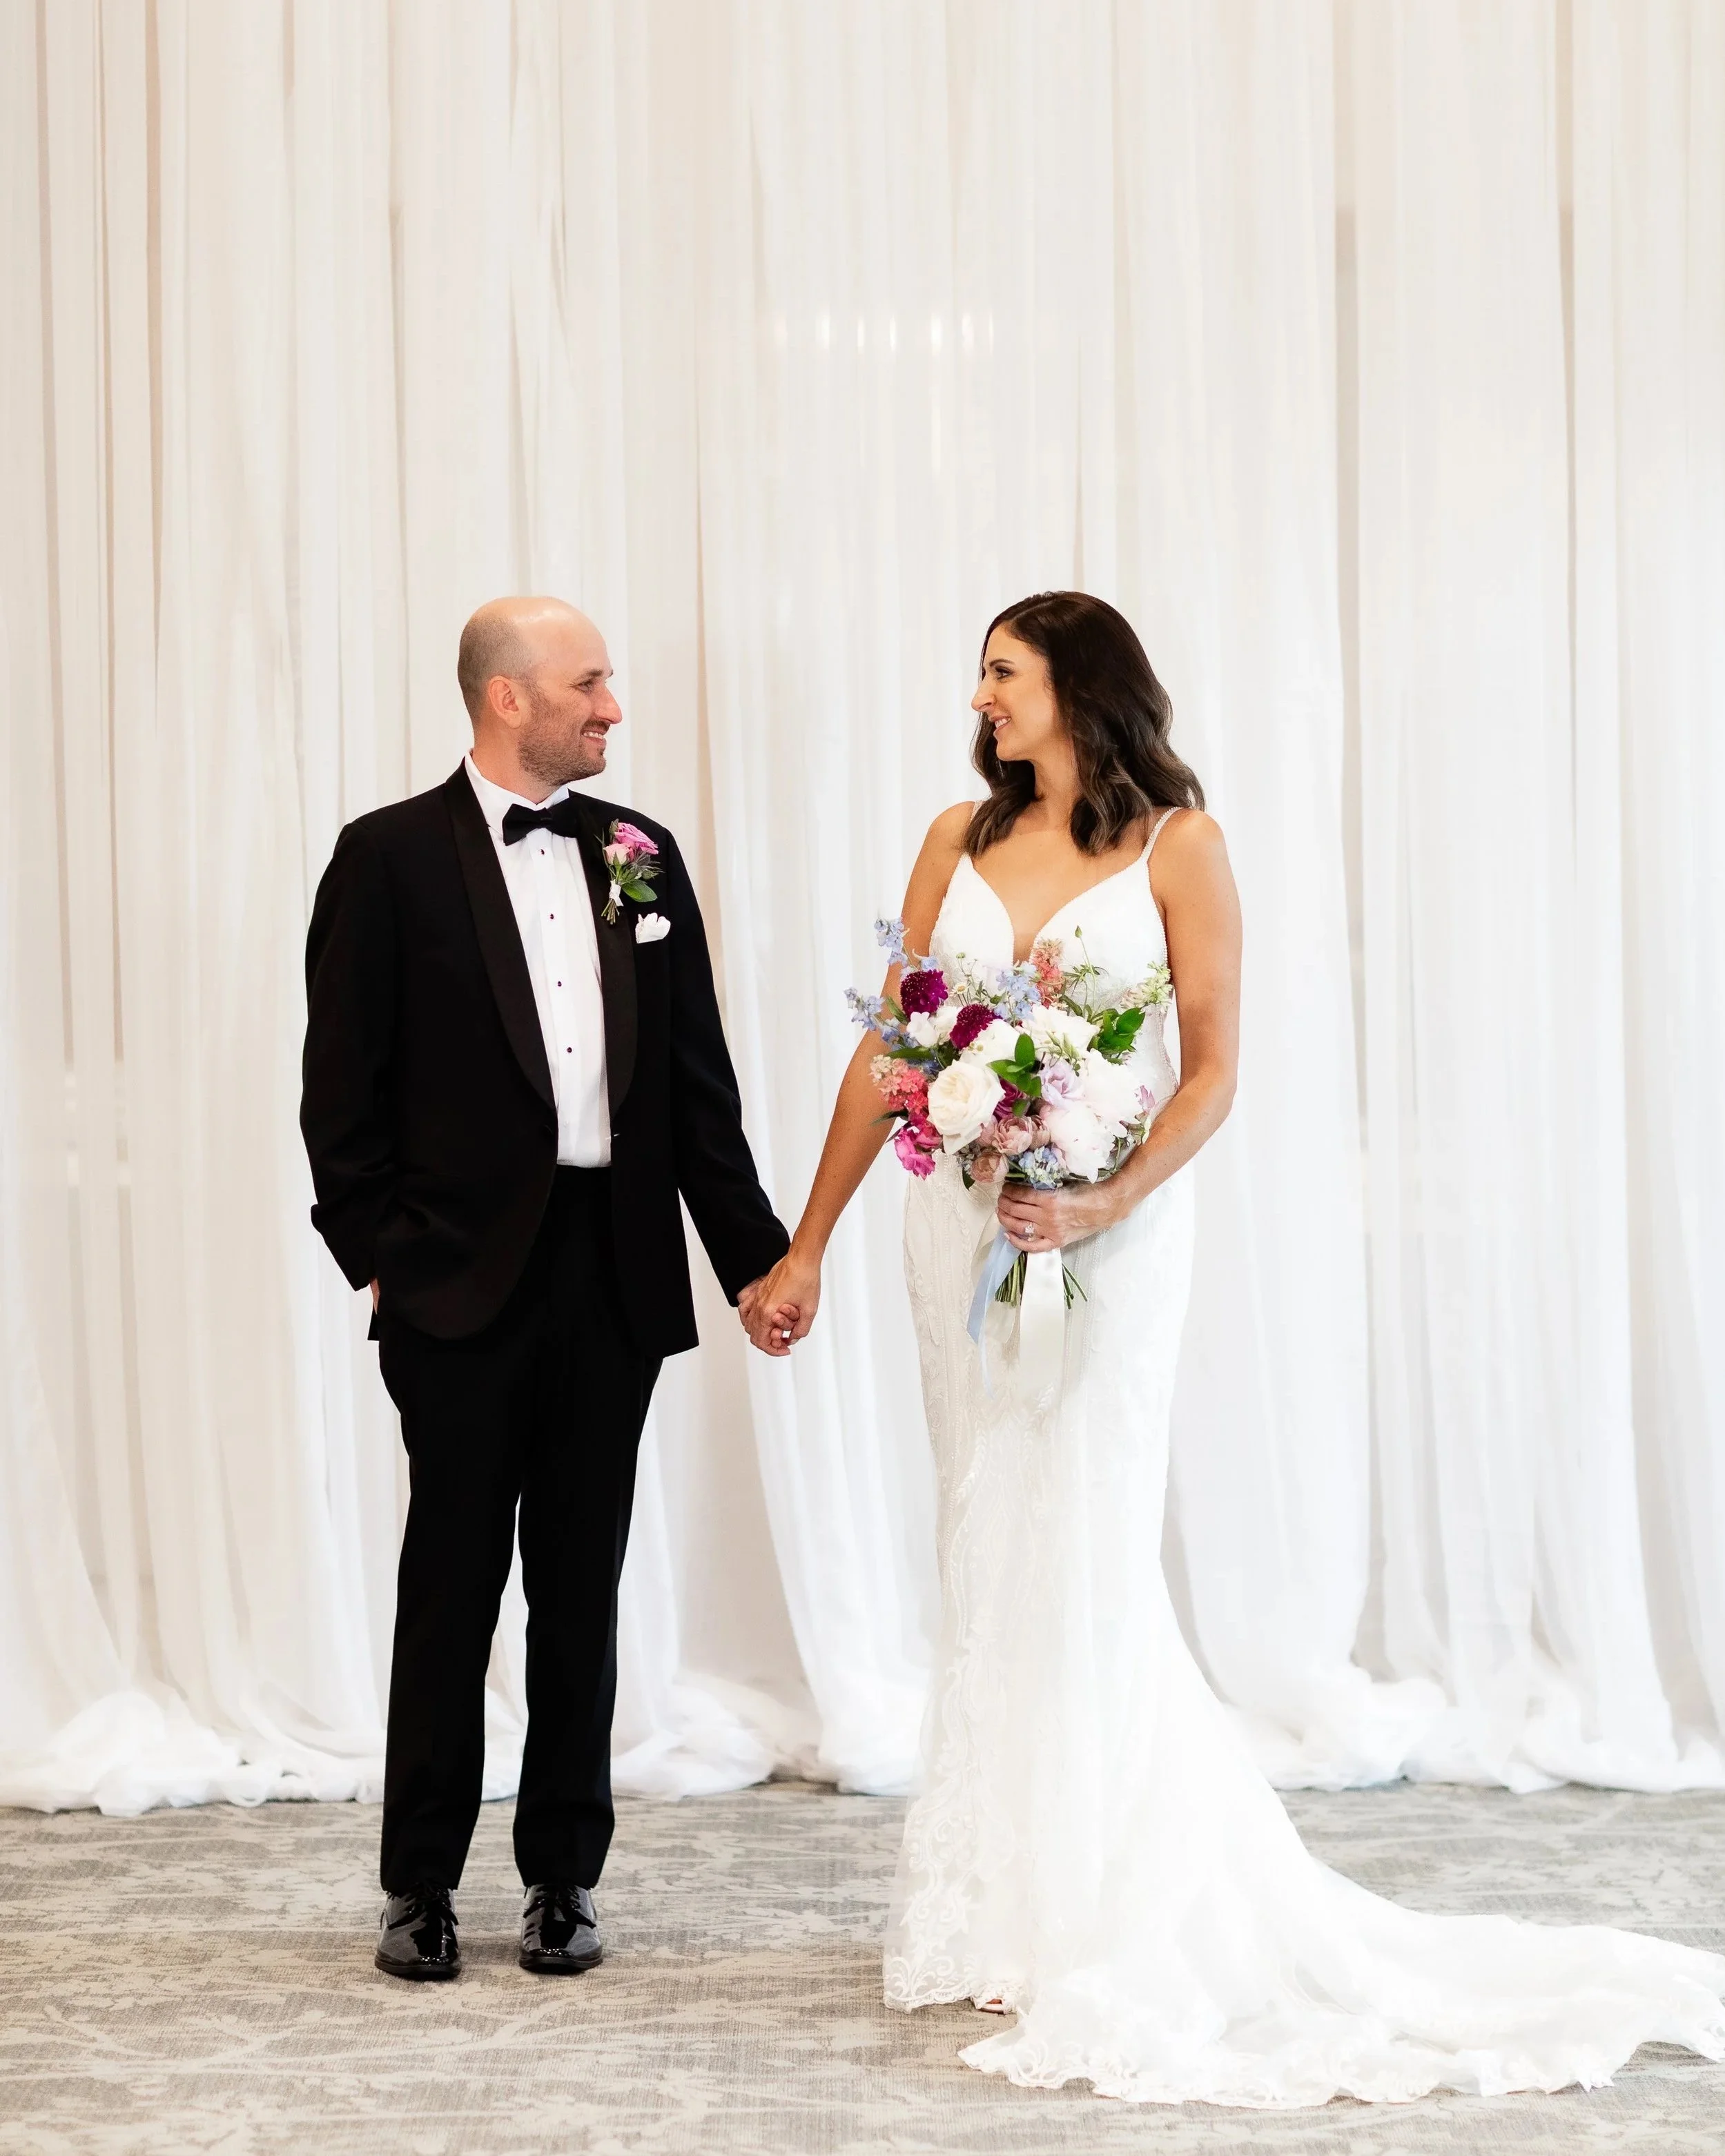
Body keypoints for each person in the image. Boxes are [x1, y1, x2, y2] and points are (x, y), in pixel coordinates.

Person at [745, 590, 1725, 2105]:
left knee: (1084, 1541)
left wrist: (1102, 1191)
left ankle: (1102, 1898)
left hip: (1109, 1238)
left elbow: (1210, 1068)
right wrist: (805, 1239)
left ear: (1081, 684)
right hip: (958, 1230)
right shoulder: (953, 834)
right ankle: (1005, 1895)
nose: (980, 693)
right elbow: (891, 1051)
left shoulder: (1178, 844)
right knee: (985, 1538)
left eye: (1001, 670)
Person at [301, 596, 788, 1981]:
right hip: (455, 1285)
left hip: (611, 1273)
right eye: (590, 685)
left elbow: (697, 1087)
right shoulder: (386, 858)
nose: (612, 708)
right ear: (507, 697)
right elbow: (342, 1092)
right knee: (448, 1586)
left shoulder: (637, 854)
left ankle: (565, 1874)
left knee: (583, 1587)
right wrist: (380, 1254)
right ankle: (418, 1883)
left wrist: (754, 1258)